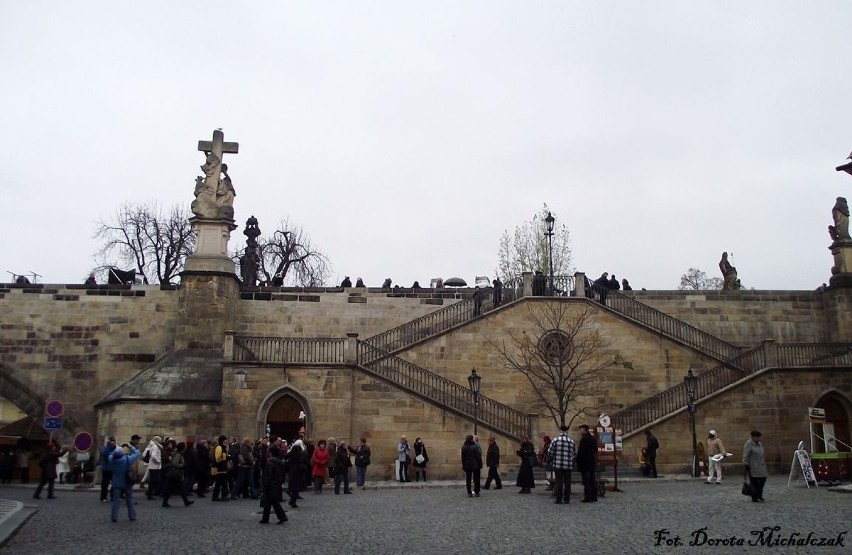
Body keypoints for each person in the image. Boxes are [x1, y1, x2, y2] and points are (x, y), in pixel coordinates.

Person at [108, 444, 140, 522]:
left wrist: (114, 450)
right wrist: (130, 446)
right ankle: (132, 516)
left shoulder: (112, 459)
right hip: (127, 482)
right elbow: (137, 453)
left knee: (116, 500)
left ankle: (114, 517)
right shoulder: (127, 459)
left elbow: (110, 454)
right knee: (129, 499)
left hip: (116, 482)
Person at [259, 445, 288, 524]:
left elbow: (268, 475)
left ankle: (282, 516)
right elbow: (283, 474)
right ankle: (265, 518)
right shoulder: (280, 462)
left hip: (271, 484)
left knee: (272, 501)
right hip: (277, 483)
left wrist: (264, 483)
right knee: (269, 501)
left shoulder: (270, 462)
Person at [547, 425, 575, 504]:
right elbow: (573, 453)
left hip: (558, 465)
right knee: (567, 483)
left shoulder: (555, 440)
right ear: (567, 431)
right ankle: (567, 498)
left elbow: (550, 452)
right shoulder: (571, 441)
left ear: (560, 430)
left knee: (559, 482)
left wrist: (553, 460)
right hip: (568, 465)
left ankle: (559, 499)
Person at [743, 430, 767, 502]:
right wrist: (745, 464)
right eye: (757, 437)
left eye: (759, 437)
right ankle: (754, 496)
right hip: (753, 467)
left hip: (761, 466)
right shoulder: (748, 444)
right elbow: (745, 456)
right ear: (753, 437)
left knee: (763, 479)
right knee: (754, 482)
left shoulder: (759, 444)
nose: (758, 439)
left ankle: (759, 494)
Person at [576, 424, 598, 502]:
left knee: (587, 481)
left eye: (581, 430)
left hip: (585, 464)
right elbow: (595, 450)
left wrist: (577, 460)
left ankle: (588, 497)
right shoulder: (592, 438)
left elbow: (581, 452)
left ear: (585, 430)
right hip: (591, 463)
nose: (580, 431)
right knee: (592, 480)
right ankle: (594, 496)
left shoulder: (584, 439)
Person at [143, 435, 163, 500]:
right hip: (154, 466)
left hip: (154, 466)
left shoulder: (155, 446)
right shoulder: (155, 447)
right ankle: (150, 493)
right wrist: (158, 461)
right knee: (154, 480)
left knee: (155, 480)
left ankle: (150, 492)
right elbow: (153, 456)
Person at [210, 435, 230, 501]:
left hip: (223, 468)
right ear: (223, 440)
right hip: (220, 468)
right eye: (225, 440)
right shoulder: (219, 447)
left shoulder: (224, 447)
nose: (227, 441)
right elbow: (218, 458)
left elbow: (224, 457)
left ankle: (219, 496)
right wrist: (224, 459)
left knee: (221, 483)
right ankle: (221, 496)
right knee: (220, 483)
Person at [99, 436, 117, 503]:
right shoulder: (105, 448)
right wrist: (108, 446)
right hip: (106, 469)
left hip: (113, 468)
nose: (114, 442)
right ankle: (103, 497)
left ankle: (113, 496)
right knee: (105, 484)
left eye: (114, 441)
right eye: (112, 441)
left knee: (114, 483)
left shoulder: (114, 448)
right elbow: (105, 453)